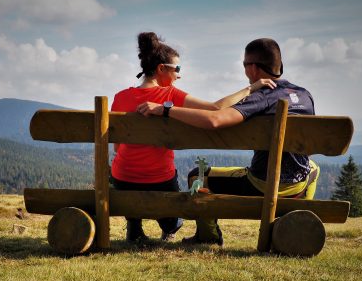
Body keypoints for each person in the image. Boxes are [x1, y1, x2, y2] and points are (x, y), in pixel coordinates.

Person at [137, 38, 319, 245]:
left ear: (252, 68)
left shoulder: (262, 97)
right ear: (280, 66)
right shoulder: (305, 95)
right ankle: (301, 214)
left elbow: (215, 120)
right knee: (314, 167)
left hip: (262, 184)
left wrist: (166, 109)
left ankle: (208, 237)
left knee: (197, 175)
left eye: (244, 65)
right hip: (299, 182)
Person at [111, 32, 275, 244]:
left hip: (123, 179)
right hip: (159, 179)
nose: (179, 75)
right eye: (177, 69)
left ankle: (134, 225)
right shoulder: (169, 94)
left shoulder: (120, 97)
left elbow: (116, 149)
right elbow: (216, 107)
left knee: (127, 171)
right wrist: (252, 87)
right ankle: (169, 225)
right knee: (174, 221)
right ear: (161, 69)